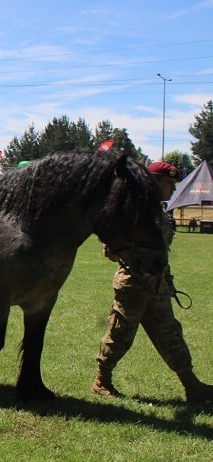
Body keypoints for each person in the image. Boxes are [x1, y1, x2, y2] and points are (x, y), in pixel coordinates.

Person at [91, 161, 212, 404]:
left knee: (170, 336)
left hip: (158, 285)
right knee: (119, 335)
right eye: (169, 183)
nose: (173, 188)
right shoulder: (131, 210)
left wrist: (166, 279)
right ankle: (101, 381)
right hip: (133, 285)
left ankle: (192, 385)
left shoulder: (160, 212)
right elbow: (110, 249)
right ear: (154, 183)